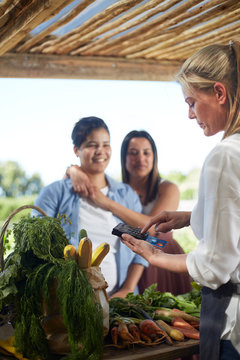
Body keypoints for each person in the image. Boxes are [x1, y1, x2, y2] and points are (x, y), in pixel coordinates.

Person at [120, 41, 240, 360]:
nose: (189, 115)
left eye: (191, 102)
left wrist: (155, 257)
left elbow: (215, 266)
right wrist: (190, 216)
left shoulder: (223, 156)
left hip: (234, 326)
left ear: (219, 92)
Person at [32, 116, 148, 298]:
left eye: (106, 145)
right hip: (69, 300)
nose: (101, 151)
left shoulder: (126, 195)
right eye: (92, 145)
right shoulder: (54, 193)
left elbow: (141, 246)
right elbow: (36, 245)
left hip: (121, 301)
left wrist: (127, 290)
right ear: (77, 150)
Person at [67, 130, 192, 295]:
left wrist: (105, 202)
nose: (140, 158)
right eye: (133, 153)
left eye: (146, 153)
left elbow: (152, 227)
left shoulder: (168, 188)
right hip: (132, 262)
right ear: (123, 158)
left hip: (163, 258)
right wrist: (72, 169)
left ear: (154, 156)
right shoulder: (118, 191)